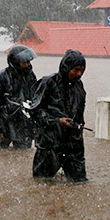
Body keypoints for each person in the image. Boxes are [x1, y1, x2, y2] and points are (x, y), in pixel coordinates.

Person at [31, 49, 88, 182]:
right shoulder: (48, 83)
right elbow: (35, 111)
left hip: (73, 143)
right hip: (50, 142)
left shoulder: (79, 86)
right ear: (66, 67)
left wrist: (79, 128)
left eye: (82, 70)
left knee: (79, 183)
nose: (79, 74)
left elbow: (80, 112)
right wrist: (56, 121)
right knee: (42, 183)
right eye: (76, 69)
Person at [0, 45, 38, 149]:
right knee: (0, 152)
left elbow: (35, 99)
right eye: (25, 62)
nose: (28, 64)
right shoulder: (2, 76)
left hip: (24, 124)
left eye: (29, 61)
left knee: (23, 153)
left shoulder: (30, 75)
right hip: (5, 122)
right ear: (15, 62)